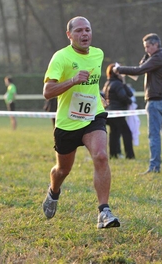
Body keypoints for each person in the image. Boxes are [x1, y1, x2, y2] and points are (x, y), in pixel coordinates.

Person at [42, 16, 120, 229]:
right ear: (69, 35)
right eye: (78, 31)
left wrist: (100, 96)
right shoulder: (61, 57)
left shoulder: (98, 53)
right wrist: (73, 80)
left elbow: (92, 82)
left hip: (93, 116)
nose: (84, 34)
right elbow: (47, 92)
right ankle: (53, 191)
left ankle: (104, 212)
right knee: (62, 170)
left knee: (102, 156)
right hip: (67, 123)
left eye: (87, 30)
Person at [114, 33, 162, 174]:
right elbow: (142, 67)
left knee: (154, 135)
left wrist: (119, 69)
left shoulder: (157, 58)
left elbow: (139, 70)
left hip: (156, 100)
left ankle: (154, 167)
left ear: (156, 45)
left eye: (148, 46)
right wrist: (147, 56)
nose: (146, 50)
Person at [102, 63, 135, 159]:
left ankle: (113, 155)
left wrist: (123, 82)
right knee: (127, 133)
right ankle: (130, 155)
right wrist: (130, 102)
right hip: (118, 113)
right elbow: (125, 96)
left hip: (109, 113)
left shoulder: (107, 83)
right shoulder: (117, 84)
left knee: (114, 133)